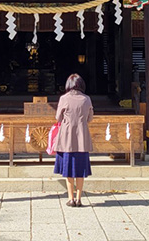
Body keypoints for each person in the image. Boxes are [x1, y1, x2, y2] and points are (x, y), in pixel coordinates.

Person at [53, 74, 94, 207]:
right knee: (80, 169)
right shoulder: (86, 99)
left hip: (67, 138)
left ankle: (70, 198)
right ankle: (79, 198)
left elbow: (58, 117)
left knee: (68, 169)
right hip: (82, 137)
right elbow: (90, 118)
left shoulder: (64, 98)